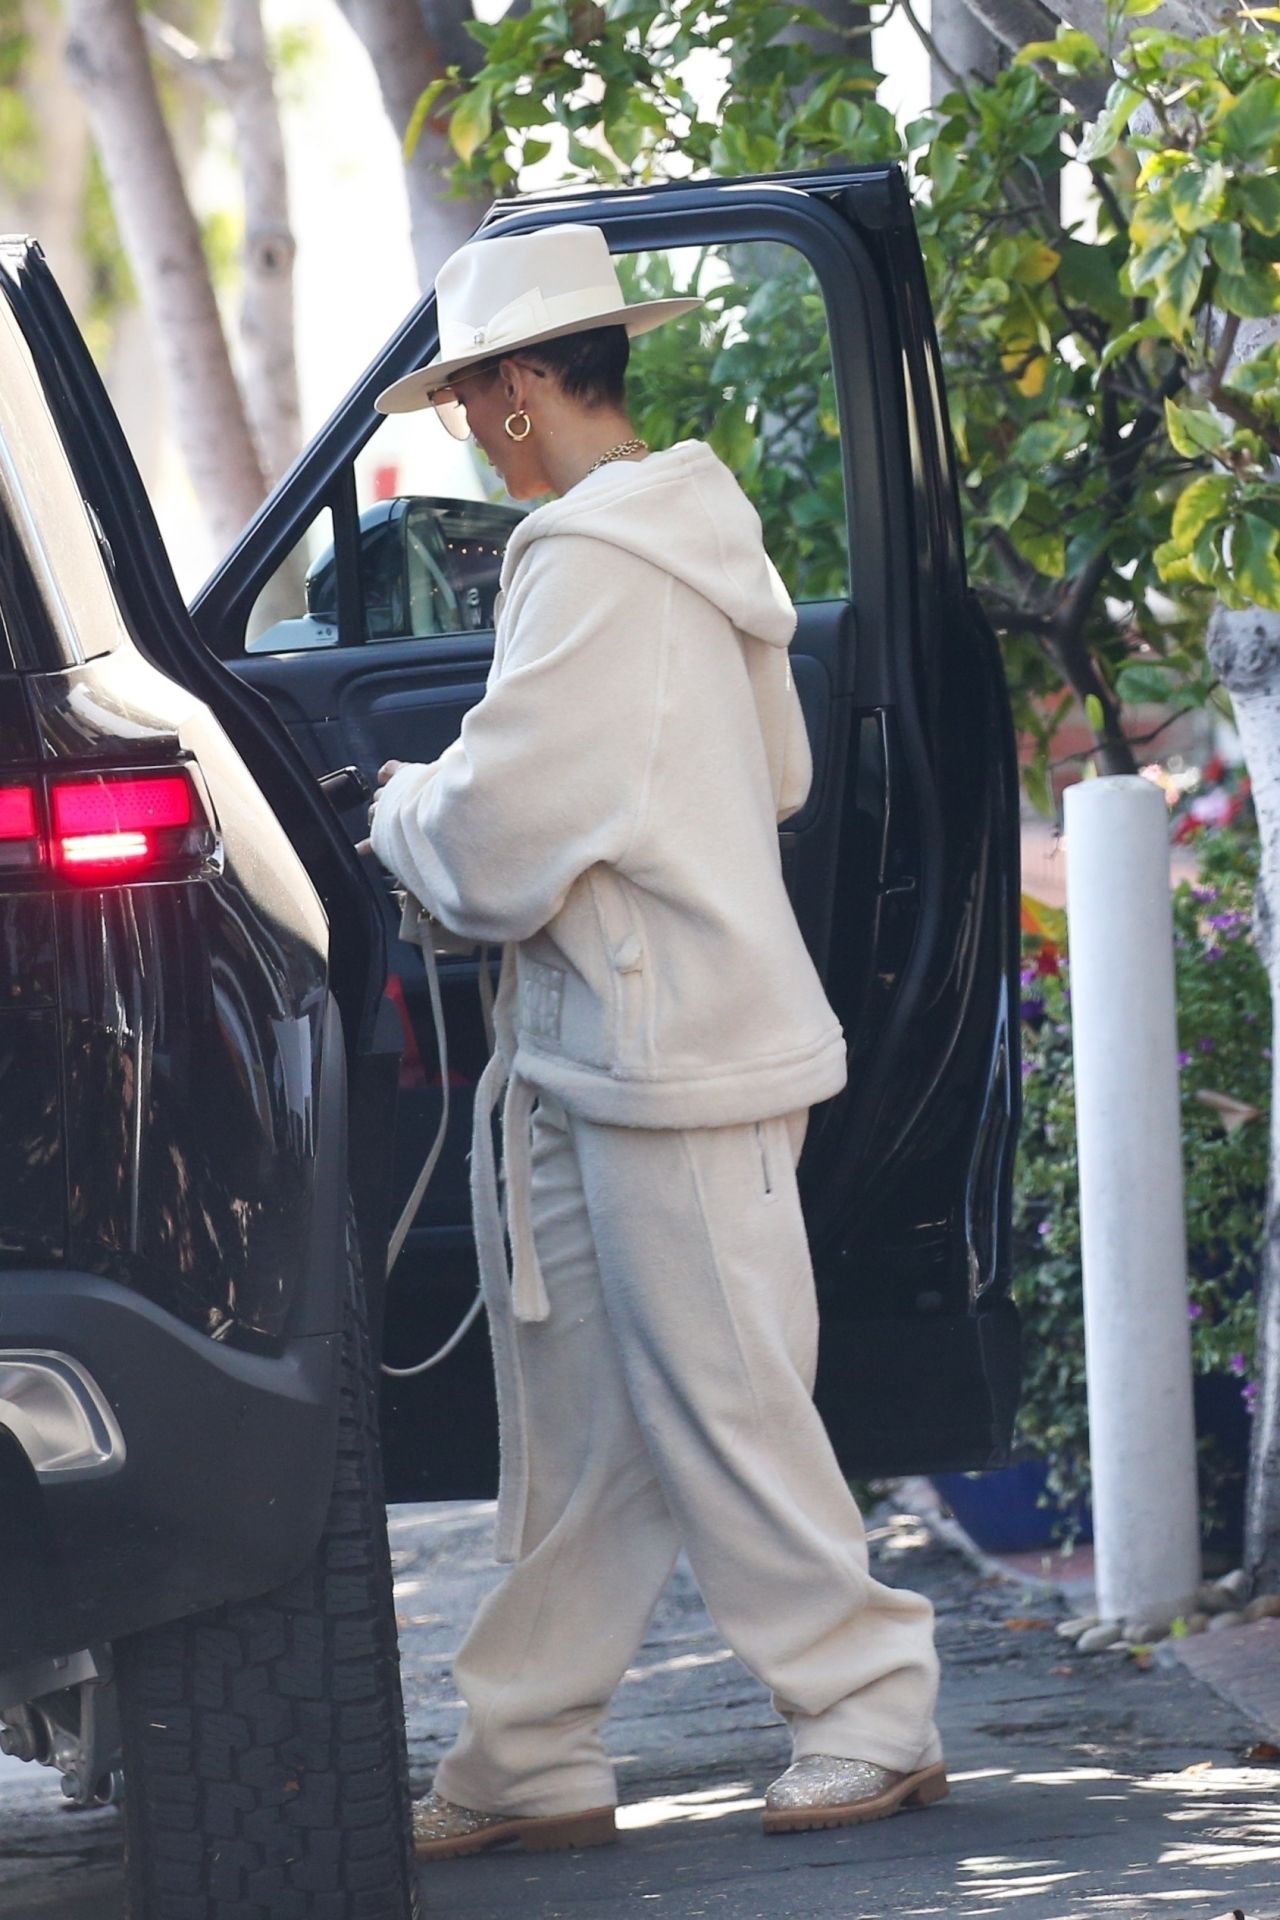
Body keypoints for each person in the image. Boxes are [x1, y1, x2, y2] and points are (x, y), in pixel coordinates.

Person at [367, 222, 945, 1862]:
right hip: (624, 1042)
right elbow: (770, 773)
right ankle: (530, 1749)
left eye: (479, 388)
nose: (471, 422)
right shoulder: (688, 536)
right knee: (586, 1424)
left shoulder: (593, 559)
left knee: (723, 1400)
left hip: (658, 1046)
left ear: (533, 381)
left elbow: (500, 827)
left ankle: (870, 1708)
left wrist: (400, 809)